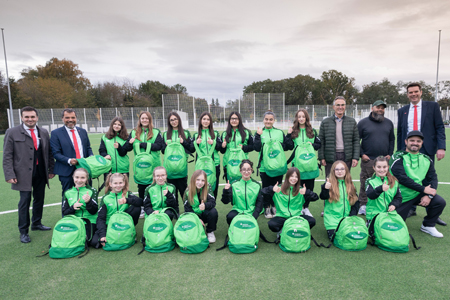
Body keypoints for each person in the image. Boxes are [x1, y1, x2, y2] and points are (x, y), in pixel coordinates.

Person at [3, 106, 55, 243]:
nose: (30, 119)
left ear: (37, 117)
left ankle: (36, 223)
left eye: (32, 117)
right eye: (26, 117)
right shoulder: (12, 132)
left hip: (40, 172)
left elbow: (49, 153)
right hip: (22, 174)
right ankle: (23, 231)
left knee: (39, 198)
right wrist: (9, 174)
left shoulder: (43, 132)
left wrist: (51, 169)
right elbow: (7, 155)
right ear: (21, 118)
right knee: (24, 201)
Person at [397, 82, 446, 222]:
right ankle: (411, 208)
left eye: (415, 91)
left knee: (427, 179)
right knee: (410, 179)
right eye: (410, 92)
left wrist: (441, 147)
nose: (413, 94)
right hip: (408, 150)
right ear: (407, 95)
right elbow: (401, 132)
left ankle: (432, 211)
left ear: (421, 92)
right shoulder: (403, 110)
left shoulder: (433, 106)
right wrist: (400, 152)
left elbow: (439, 127)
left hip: (427, 148)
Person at [390, 131, 446, 238]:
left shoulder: (426, 159)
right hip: (399, 196)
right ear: (406, 142)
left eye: (418, 141)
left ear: (422, 143)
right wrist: (424, 189)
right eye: (412, 141)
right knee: (393, 225)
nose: (415, 143)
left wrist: (429, 195)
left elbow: (433, 178)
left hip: (417, 193)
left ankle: (428, 225)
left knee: (439, 202)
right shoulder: (397, 157)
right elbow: (402, 178)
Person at [253, 110, 294, 218]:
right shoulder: (259, 132)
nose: (268, 121)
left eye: (271, 119)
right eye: (266, 119)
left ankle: (274, 206)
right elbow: (256, 148)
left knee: (277, 187)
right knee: (266, 187)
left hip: (278, 167)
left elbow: (288, 147)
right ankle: (266, 207)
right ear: (263, 120)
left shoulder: (279, 133)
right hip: (264, 167)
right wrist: (257, 136)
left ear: (274, 120)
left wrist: (289, 135)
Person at [357, 100, 395, 216]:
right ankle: (363, 204)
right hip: (368, 160)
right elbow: (356, 140)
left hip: (384, 160)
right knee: (365, 182)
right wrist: (361, 154)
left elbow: (391, 139)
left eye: (382, 108)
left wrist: (390, 153)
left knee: (384, 182)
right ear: (372, 108)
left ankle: (382, 204)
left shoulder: (389, 123)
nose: (380, 109)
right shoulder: (363, 123)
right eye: (378, 107)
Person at [50, 108, 93, 207]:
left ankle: (86, 217)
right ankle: (67, 218)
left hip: (84, 169)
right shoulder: (56, 133)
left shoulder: (82, 131)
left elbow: (87, 148)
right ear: (62, 119)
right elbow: (56, 153)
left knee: (87, 193)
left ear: (76, 118)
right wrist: (69, 160)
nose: (70, 120)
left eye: (73, 117)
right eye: (67, 117)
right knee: (68, 195)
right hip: (66, 169)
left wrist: (91, 157)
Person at [262, 167, 319, 236]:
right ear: (287, 177)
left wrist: (307, 192)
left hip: (297, 217)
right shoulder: (279, 189)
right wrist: (271, 189)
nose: (294, 179)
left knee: (312, 221)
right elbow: (262, 192)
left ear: (298, 179)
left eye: (296, 177)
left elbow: (316, 197)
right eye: (292, 176)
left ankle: (294, 229)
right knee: (272, 224)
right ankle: (283, 229)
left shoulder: (301, 190)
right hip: (282, 217)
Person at [94, 173, 143, 248]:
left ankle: (130, 230)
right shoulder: (106, 198)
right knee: (95, 242)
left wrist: (127, 200)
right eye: (115, 183)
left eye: (120, 183)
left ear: (124, 183)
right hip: (110, 224)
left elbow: (141, 202)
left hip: (123, 222)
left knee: (136, 207)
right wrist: (103, 235)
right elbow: (101, 218)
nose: (118, 185)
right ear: (110, 184)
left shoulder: (127, 193)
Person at [290, 108, 321, 217]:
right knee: (296, 187)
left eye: (303, 117)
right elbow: (288, 145)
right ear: (297, 119)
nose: (301, 119)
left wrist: (312, 145)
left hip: (310, 165)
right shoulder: (294, 131)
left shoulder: (312, 131)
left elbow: (319, 145)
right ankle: (298, 208)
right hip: (297, 165)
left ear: (306, 118)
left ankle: (306, 208)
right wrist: (288, 135)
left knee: (309, 187)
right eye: (299, 117)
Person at [318, 96, 359, 177]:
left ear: (345, 107)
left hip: (346, 156)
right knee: (330, 180)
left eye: (342, 105)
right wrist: (321, 157)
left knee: (345, 180)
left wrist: (355, 157)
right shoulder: (325, 122)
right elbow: (321, 141)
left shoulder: (352, 121)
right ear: (333, 107)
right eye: (338, 105)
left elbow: (356, 140)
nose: (340, 107)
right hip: (330, 156)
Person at [320, 161, 360, 240]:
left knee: (355, 238)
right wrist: (325, 189)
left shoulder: (351, 185)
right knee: (339, 238)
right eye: (337, 169)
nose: (340, 171)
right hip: (332, 222)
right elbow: (323, 197)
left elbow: (356, 202)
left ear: (346, 170)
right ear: (333, 171)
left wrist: (351, 217)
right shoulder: (328, 184)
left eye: (342, 169)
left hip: (347, 220)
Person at [161, 112, 194, 204]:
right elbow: (163, 151)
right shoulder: (165, 134)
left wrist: (183, 142)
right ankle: (175, 211)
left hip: (181, 169)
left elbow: (191, 149)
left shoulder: (186, 133)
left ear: (179, 120)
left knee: (183, 192)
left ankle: (188, 210)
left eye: (175, 119)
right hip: (170, 169)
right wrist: (166, 145)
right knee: (172, 193)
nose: (174, 121)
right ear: (169, 122)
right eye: (171, 120)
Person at [129, 111, 164, 199]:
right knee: (141, 187)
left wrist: (143, 144)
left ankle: (155, 205)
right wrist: (129, 143)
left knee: (154, 187)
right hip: (141, 165)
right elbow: (128, 147)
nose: (145, 120)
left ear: (150, 120)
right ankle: (143, 207)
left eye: (147, 118)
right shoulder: (134, 132)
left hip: (154, 164)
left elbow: (159, 146)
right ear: (140, 120)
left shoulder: (156, 132)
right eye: (143, 118)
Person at [61, 168, 98, 247]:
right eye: (77, 177)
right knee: (67, 240)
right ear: (73, 177)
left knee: (86, 242)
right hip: (75, 221)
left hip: (89, 221)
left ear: (87, 178)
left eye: (82, 178)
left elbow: (94, 211)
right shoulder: (68, 192)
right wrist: (73, 207)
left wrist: (89, 202)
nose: (79, 180)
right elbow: (65, 212)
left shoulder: (92, 190)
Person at [221, 159, 263, 225]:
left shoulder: (257, 185)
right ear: (240, 171)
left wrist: (255, 215)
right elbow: (225, 201)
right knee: (230, 217)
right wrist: (226, 191)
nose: (246, 172)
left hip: (251, 212)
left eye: (248, 169)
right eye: (244, 169)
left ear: (252, 170)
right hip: (237, 210)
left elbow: (259, 203)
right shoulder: (234, 185)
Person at [192, 112, 223, 199]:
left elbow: (221, 147)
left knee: (213, 185)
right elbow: (191, 148)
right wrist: (196, 143)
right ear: (200, 121)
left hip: (214, 164)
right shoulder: (196, 135)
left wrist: (214, 143)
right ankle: (201, 205)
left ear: (210, 121)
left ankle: (212, 204)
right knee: (200, 185)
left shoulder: (215, 134)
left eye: (208, 119)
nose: (206, 121)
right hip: (201, 165)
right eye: (204, 119)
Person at [183, 170, 218, 243]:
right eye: (198, 180)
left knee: (213, 212)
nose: (200, 183)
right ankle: (199, 227)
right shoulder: (187, 191)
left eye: (203, 180)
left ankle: (210, 231)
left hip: (205, 213)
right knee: (197, 234)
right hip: (194, 215)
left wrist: (205, 205)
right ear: (193, 179)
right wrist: (197, 218)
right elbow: (187, 209)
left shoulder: (208, 187)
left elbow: (213, 202)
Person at [365, 156, 402, 225]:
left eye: (384, 167)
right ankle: (369, 223)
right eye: (379, 167)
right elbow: (370, 195)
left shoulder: (394, 181)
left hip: (389, 214)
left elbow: (398, 198)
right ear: (374, 168)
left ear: (388, 167)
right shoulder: (370, 181)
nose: (382, 170)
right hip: (374, 215)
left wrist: (394, 205)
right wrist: (380, 189)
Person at [220, 111, 254, 180]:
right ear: (229, 120)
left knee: (242, 187)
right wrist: (223, 146)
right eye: (232, 119)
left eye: (236, 118)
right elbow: (222, 151)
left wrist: (243, 147)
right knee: (230, 188)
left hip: (243, 164)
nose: (234, 120)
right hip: (228, 163)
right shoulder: (224, 134)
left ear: (239, 120)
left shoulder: (246, 132)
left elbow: (253, 146)